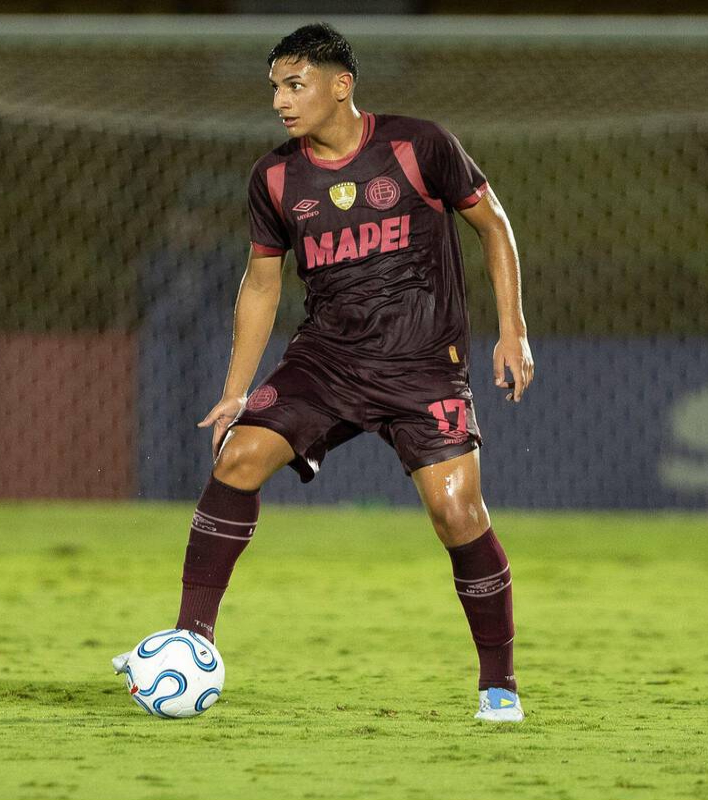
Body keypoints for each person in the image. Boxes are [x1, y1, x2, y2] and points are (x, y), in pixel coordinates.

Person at [116, 23, 534, 722]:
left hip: (424, 367)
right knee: (238, 458)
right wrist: (234, 391)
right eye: (275, 87)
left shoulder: (418, 145)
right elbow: (259, 284)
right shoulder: (276, 177)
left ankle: (499, 684)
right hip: (327, 362)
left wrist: (513, 331)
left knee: (457, 512)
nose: (280, 100)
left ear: (342, 85)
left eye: (294, 84)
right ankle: (190, 640)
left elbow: (493, 224)